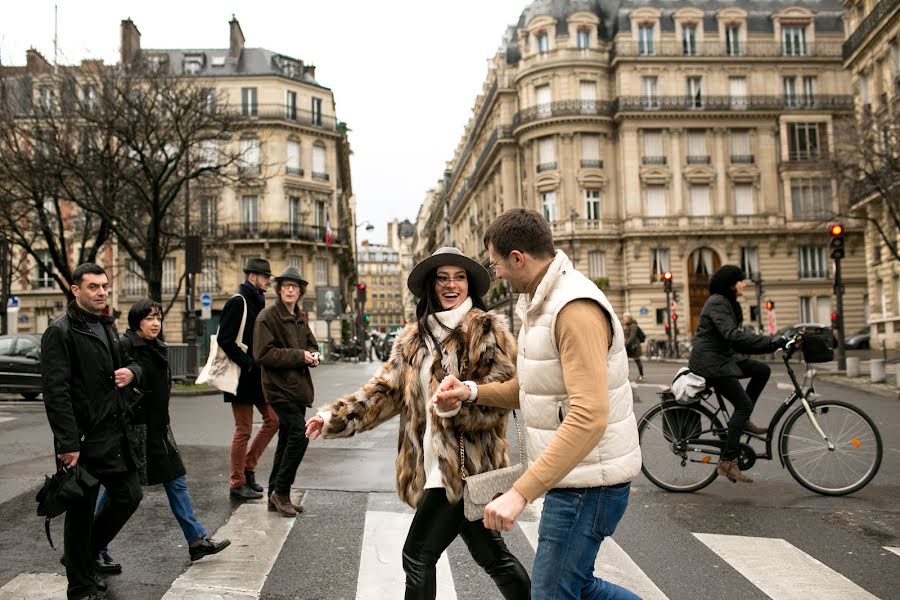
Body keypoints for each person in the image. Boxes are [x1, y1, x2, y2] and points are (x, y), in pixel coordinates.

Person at [437, 209, 642, 600]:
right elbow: (533, 387)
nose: (494, 273)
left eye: (496, 264)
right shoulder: (542, 303)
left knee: (552, 595)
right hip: (576, 477)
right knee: (575, 589)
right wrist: (472, 392)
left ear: (518, 258)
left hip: (588, 485)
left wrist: (521, 492)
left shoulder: (573, 308)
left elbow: (589, 416)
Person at [306, 247, 530, 600]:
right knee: (493, 558)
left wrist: (459, 404)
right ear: (431, 285)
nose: (451, 285)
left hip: (463, 469)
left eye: (459, 277)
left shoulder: (486, 330)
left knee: (417, 556)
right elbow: (384, 392)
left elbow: (502, 395)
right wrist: (332, 416)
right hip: (430, 466)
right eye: (442, 278)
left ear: (469, 282)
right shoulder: (414, 338)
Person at [94, 299, 231, 562]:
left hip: (159, 429)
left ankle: (196, 540)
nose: (155, 323)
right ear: (137, 322)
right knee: (117, 491)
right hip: (135, 432)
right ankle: (93, 546)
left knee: (176, 481)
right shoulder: (124, 346)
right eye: (149, 318)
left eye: (158, 317)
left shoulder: (158, 347)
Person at [41, 263, 143, 600]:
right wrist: (68, 443)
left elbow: (133, 361)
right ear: (75, 290)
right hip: (82, 440)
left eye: (104, 286)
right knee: (80, 514)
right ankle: (80, 585)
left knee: (130, 495)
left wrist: (132, 372)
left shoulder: (106, 324)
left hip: (114, 434)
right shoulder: (61, 331)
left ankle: (84, 556)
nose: (101, 292)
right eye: (93, 287)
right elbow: (56, 393)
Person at [687, 265, 787, 483]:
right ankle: (727, 461)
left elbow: (735, 339)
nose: (744, 284)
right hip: (711, 363)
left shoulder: (727, 303)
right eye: (741, 280)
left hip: (722, 357)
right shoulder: (718, 302)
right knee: (743, 404)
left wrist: (772, 344)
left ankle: (742, 421)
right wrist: (770, 343)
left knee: (762, 370)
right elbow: (732, 335)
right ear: (731, 284)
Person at [253, 267, 320, 517]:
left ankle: (275, 493)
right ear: (279, 290)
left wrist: (314, 355)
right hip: (278, 387)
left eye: (295, 286)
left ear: (300, 291)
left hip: (298, 388)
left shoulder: (300, 317)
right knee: (299, 435)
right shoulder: (267, 317)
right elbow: (263, 354)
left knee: (286, 438)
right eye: (286, 286)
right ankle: (281, 492)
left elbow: (311, 344)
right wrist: (298, 356)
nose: (290, 290)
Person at [218, 257, 280, 500]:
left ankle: (248, 468)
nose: (268, 281)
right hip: (241, 377)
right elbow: (225, 339)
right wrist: (248, 363)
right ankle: (236, 482)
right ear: (252, 277)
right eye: (265, 277)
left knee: (273, 420)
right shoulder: (238, 301)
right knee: (243, 429)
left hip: (257, 377)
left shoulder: (260, 300)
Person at [622, 313, 644, 382]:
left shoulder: (633, 326)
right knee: (624, 361)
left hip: (634, 346)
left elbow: (632, 336)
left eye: (624, 318)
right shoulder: (626, 326)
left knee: (637, 360)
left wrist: (625, 344)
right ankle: (625, 376)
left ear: (629, 318)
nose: (623, 319)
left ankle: (641, 375)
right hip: (628, 346)